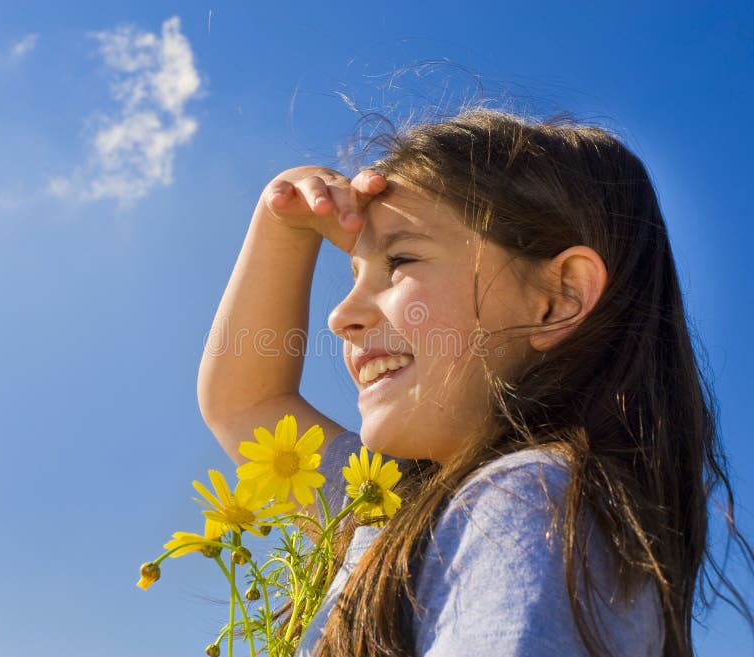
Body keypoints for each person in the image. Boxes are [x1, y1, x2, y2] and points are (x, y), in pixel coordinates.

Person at [196, 108, 752, 657]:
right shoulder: (390, 502)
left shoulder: (525, 501)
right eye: (355, 273)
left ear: (557, 300)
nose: (340, 315)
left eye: (401, 260)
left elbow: (247, 404)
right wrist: (284, 221)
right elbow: (248, 402)